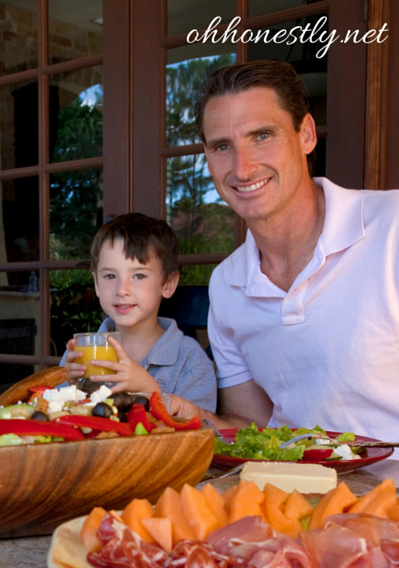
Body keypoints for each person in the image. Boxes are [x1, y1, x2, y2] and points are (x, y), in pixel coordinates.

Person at [169, 59, 399, 440]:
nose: (242, 169)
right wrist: (191, 418)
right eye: (223, 146)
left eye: (262, 136)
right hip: (286, 495)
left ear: (306, 134)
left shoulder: (392, 227)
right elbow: (252, 427)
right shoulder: (227, 283)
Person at [61, 213, 217, 411]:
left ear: (168, 283)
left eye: (139, 275)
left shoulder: (190, 361)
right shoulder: (78, 353)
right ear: (97, 284)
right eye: (110, 276)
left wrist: (148, 389)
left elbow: (201, 434)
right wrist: (67, 387)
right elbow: (55, 418)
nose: (122, 290)